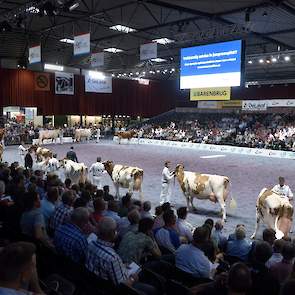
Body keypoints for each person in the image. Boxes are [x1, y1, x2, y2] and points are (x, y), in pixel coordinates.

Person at [85, 217, 155, 294]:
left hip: (93, 284)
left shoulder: (89, 244)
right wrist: (133, 279)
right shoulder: (112, 257)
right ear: (112, 233)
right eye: (115, 230)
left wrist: (122, 265)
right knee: (152, 290)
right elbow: (122, 285)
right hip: (111, 289)